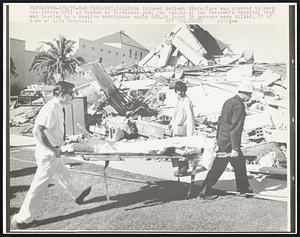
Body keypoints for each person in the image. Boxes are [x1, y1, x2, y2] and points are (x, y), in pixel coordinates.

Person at [12, 81, 92, 229]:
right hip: (48, 153)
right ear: (62, 94)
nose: (73, 97)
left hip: (53, 150)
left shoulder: (58, 106)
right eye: (72, 94)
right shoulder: (51, 107)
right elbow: (38, 131)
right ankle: (24, 219)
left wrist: (62, 141)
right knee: (39, 185)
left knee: (62, 173)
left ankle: (78, 193)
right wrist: (52, 149)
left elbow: (51, 130)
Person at [198, 83, 254, 200]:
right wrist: (235, 148)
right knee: (219, 166)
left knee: (239, 163)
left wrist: (218, 138)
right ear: (244, 93)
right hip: (229, 141)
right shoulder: (239, 106)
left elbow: (221, 122)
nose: (250, 98)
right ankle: (204, 191)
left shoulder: (228, 101)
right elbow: (235, 128)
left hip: (223, 138)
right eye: (250, 94)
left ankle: (243, 189)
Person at [169, 81, 195, 177]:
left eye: (181, 90)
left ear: (185, 90)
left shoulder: (187, 101)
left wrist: (190, 134)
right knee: (177, 149)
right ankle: (180, 168)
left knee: (182, 150)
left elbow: (190, 118)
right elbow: (176, 115)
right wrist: (171, 124)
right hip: (177, 128)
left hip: (183, 129)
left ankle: (183, 169)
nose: (180, 92)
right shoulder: (179, 100)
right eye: (178, 90)